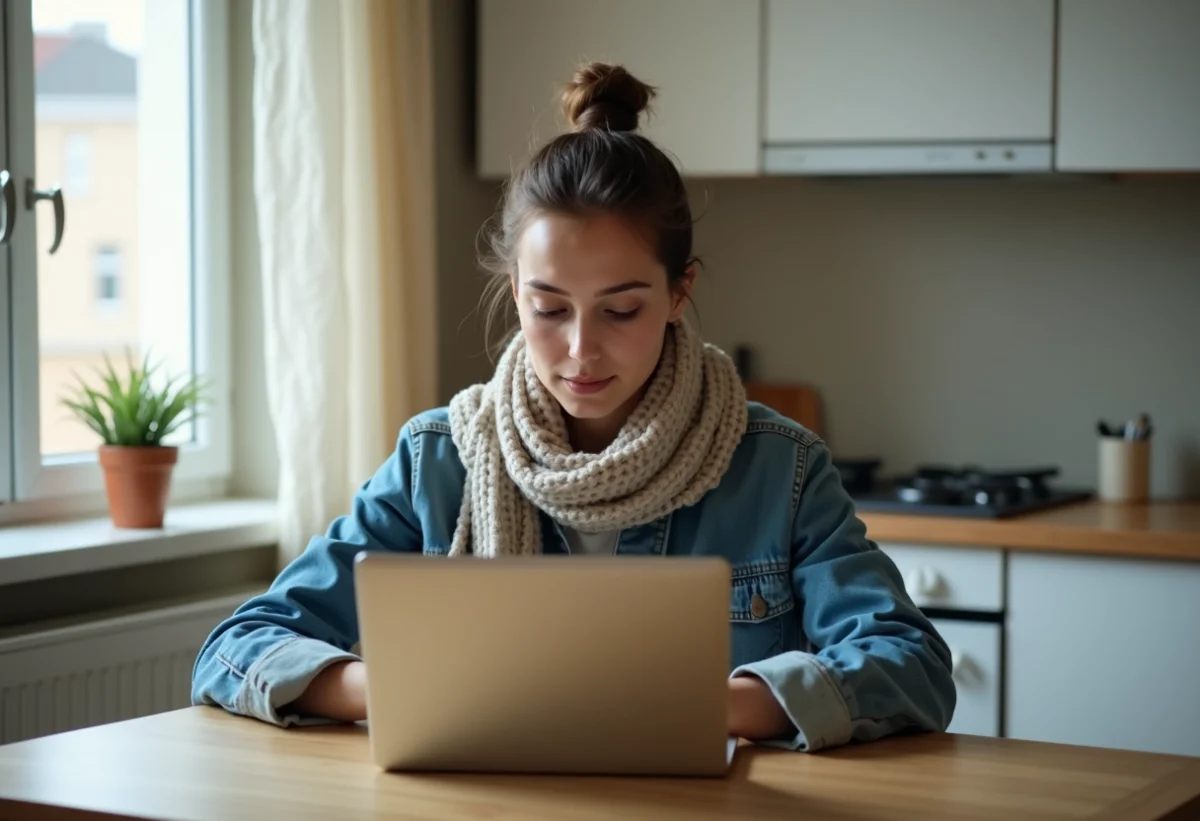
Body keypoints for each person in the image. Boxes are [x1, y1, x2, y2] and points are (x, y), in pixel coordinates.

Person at [192, 63, 955, 752]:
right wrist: (402, 691)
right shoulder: (441, 460)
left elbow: (911, 664)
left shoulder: (780, 466)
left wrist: (701, 706)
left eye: (620, 311)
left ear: (678, 291)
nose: (581, 350)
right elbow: (239, 647)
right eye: (549, 308)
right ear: (516, 294)